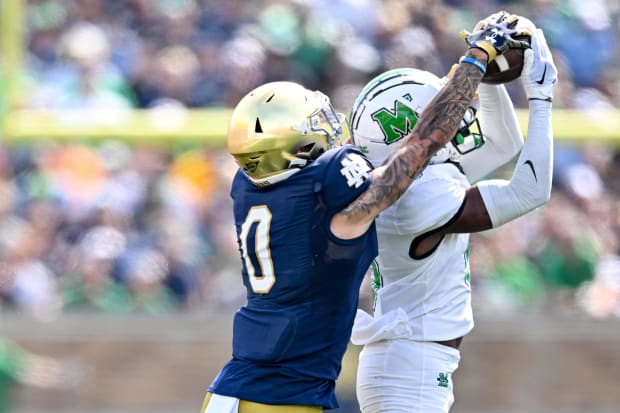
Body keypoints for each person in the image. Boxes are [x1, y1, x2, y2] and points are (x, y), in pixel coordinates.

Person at [202, 11, 530, 413]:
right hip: (282, 398)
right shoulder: (327, 189)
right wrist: (475, 60)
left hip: (229, 389)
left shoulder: (248, 187)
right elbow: (419, 148)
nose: (329, 132)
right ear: (295, 150)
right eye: (314, 127)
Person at [349, 14, 557, 413]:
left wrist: (487, 77)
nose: (453, 111)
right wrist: (541, 97)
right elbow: (530, 190)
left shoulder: (409, 183)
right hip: (411, 366)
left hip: (410, 360)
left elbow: (502, 145)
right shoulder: (419, 197)